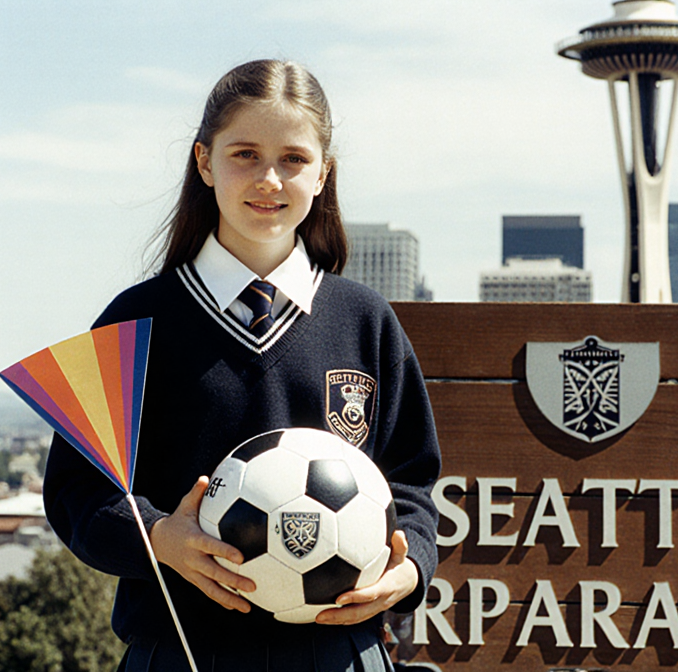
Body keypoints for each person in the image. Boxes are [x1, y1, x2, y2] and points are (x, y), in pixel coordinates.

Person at [43, 59, 441, 672]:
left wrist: (408, 566)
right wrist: (156, 535)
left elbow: (412, 481)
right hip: (180, 652)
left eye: (294, 159)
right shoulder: (135, 319)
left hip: (339, 654)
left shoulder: (365, 319)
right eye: (245, 154)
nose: (270, 180)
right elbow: (75, 490)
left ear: (323, 173)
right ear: (204, 161)